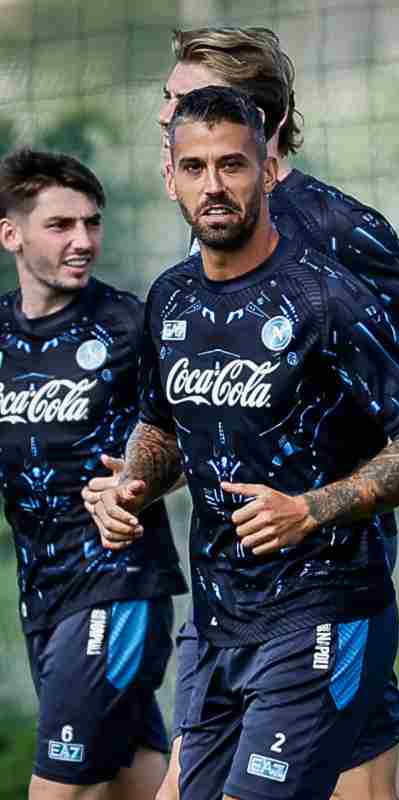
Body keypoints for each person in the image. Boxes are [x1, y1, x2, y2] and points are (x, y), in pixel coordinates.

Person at [86, 26, 399, 800]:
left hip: (323, 575)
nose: (168, 115)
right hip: (227, 590)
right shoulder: (182, 279)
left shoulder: (327, 236)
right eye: (174, 113)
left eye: (188, 100)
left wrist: (317, 436)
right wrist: (131, 483)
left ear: (261, 142)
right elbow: (177, 419)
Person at [0, 148, 186, 800]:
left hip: (118, 585)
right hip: (43, 596)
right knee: (137, 784)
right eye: (61, 225)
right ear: (11, 234)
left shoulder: (130, 326)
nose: (83, 240)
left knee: (57, 790)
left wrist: (142, 483)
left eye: (92, 222)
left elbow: (195, 440)